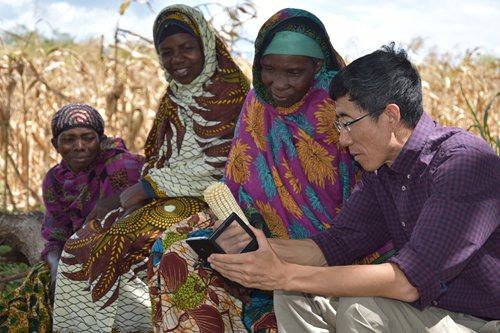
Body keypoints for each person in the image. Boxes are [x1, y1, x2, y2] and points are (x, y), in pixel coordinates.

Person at [208, 44, 500, 333]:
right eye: (338, 126)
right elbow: (334, 247)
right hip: (431, 313)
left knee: (360, 309)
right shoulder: (382, 170)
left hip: (483, 321)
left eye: (348, 123)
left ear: (390, 116)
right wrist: (260, 245)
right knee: (294, 295)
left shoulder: (463, 164)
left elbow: (408, 281)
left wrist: (284, 274)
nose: (343, 140)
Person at [148, 8, 393, 332]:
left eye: (293, 72)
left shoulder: (341, 108)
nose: (278, 84)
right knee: (173, 246)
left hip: (329, 248)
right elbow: (238, 181)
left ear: (317, 66)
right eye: (268, 69)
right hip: (256, 226)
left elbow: (363, 204)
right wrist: (235, 236)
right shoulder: (257, 102)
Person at [51, 4, 249, 333]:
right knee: (81, 244)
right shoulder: (173, 97)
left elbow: (221, 165)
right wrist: (142, 192)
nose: (177, 59)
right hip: (165, 196)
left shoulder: (231, 95)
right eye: (167, 52)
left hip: (215, 200)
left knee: (131, 244)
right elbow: (160, 159)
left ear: (206, 46)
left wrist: (143, 189)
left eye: (187, 48)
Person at [0, 103, 144, 332]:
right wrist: (58, 269)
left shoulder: (120, 165)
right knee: (40, 282)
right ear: (55, 145)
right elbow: (56, 236)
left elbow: (132, 221)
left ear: (100, 139)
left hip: (123, 253)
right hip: (78, 251)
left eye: (88, 138)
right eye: (68, 139)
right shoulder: (55, 180)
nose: (79, 146)